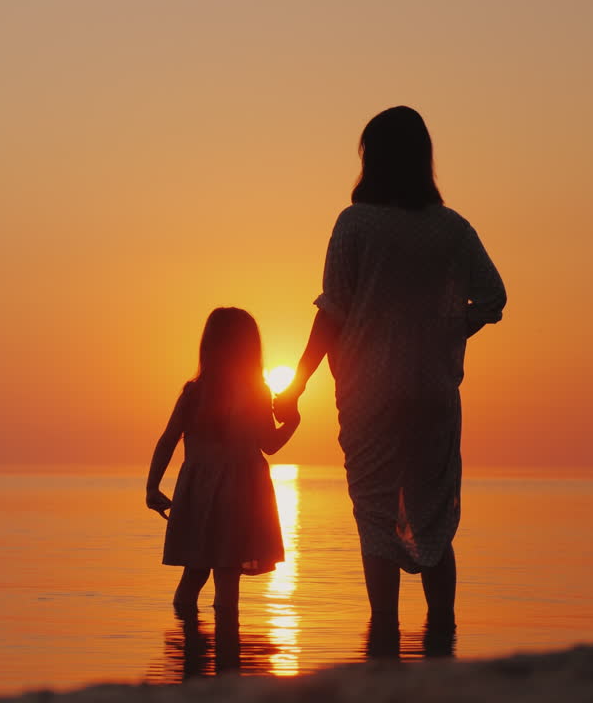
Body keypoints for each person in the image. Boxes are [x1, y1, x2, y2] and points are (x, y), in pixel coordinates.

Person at [275, 106, 506, 630]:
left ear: (371, 160)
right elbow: (493, 297)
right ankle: (441, 641)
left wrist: (297, 383)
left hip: (372, 398)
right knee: (431, 520)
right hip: (433, 397)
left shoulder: (355, 224)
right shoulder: (453, 229)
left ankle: (384, 641)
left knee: (378, 517)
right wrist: (445, 331)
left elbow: (333, 312)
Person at [146, 307, 299, 616]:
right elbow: (269, 445)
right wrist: (293, 421)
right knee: (227, 576)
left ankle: (187, 640)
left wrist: (152, 487)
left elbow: (167, 440)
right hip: (241, 496)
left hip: (198, 494)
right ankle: (226, 651)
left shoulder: (194, 392)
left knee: (195, 571)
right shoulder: (255, 392)